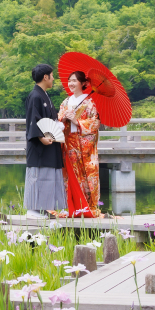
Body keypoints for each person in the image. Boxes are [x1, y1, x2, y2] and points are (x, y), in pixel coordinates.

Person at [23, 63, 66, 218]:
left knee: (48, 176)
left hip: (49, 143)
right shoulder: (35, 96)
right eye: (52, 76)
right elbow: (32, 120)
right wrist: (41, 137)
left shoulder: (44, 95)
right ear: (45, 77)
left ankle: (43, 209)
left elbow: (50, 119)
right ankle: (33, 209)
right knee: (39, 175)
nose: (53, 79)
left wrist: (59, 125)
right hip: (39, 145)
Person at [58, 70, 101, 217]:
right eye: (69, 80)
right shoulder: (65, 102)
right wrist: (64, 119)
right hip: (68, 144)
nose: (71, 83)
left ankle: (86, 206)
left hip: (83, 146)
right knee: (69, 175)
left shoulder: (89, 103)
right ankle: (70, 206)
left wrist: (77, 121)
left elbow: (95, 123)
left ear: (83, 83)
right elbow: (59, 120)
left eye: (74, 81)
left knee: (84, 174)